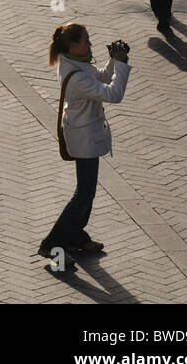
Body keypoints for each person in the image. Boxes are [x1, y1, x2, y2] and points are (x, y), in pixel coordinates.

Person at [38, 23, 130, 263]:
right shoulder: (76, 76)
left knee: (87, 192)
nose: (90, 44)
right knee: (83, 193)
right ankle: (51, 243)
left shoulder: (75, 63)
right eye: (86, 40)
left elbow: (100, 77)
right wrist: (121, 64)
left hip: (84, 135)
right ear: (72, 45)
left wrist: (113, 61)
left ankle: (75, 236)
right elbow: (113, 94)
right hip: (84, 139)